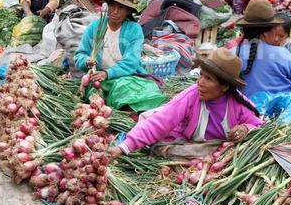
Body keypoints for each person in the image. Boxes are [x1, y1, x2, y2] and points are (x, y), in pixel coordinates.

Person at [107, 48, 263, 159]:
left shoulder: (238, 104)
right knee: (162, 147)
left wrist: (245, 128)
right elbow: (161, 121)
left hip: (216, 150)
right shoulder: (191, 96)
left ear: (225, 87)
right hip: (187, 143)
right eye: (201, 75)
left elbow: (259, 125)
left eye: (208, 79)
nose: (200, 82)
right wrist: (124, 147)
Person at [74, 0, 146, 81]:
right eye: (112, 6)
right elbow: (79, 55)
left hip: (127, 78)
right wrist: (86, 61)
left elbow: (132, 61)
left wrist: (107, 74)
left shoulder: (134, 29)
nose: (115, 11)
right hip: (97, 77)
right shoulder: (95, 26)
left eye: (121, 7)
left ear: (128, 11)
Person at [233, 0, 291, 97]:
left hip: (245, 110)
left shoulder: (232, 53)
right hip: (282, 110)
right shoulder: (282, 54)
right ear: (265, 33)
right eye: (274, 30)